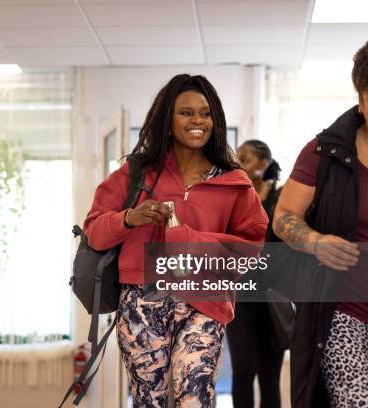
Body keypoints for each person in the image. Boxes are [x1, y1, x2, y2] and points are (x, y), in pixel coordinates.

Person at [83, 74, 268, 407]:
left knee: (194, 399)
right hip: (141, 302)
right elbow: (94, 231)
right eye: (186, 112)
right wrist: (129, 218)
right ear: (167, 119)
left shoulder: (235, 182)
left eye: (205, 113)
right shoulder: (136, 173)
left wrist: (188, 239)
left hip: (204, 302)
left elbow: (251, 250)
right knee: (148, 400)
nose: (197, 120)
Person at [273, 33, 368, 407]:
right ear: (360, 100)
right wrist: (314, 241)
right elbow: (283, 217)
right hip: (344, 314)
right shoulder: (325, 152)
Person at [226, 140, 286, 408]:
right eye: (237, 158)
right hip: (240, 299)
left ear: (263, 165)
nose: (239, 164)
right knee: (243, 371)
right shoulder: (234, 199)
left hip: (276, 300)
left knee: (269, 377)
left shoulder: (283, 199)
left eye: (246, 159)